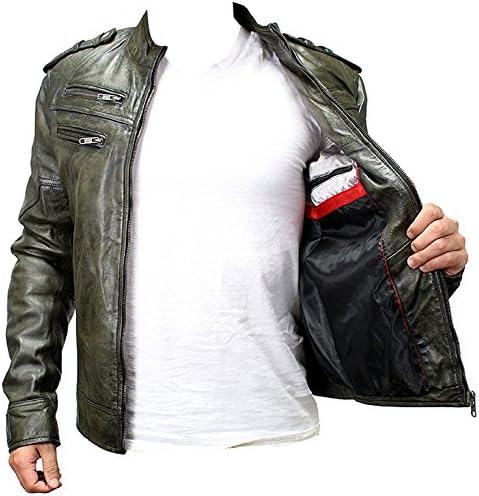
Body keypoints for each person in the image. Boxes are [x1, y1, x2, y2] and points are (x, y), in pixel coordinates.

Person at [3, 2, 470, 493]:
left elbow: (351, 258)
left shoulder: (320, 80)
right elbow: (45, 248)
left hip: (279, 439)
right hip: (120, 453)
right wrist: (29, 411)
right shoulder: (76, 79)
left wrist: (427, 264)